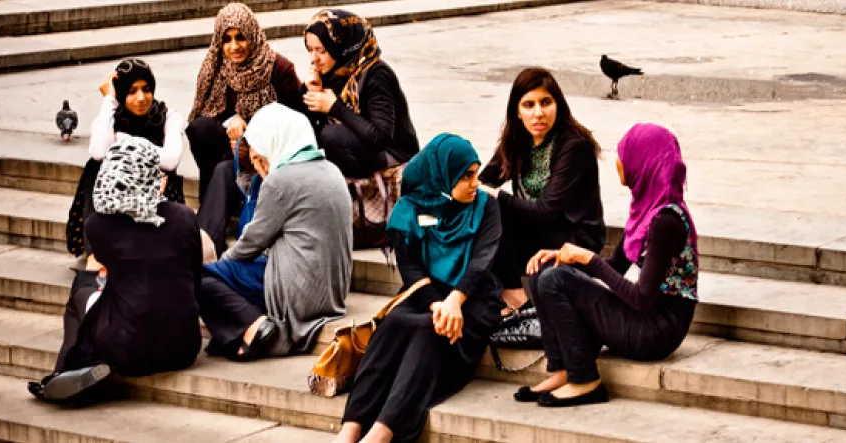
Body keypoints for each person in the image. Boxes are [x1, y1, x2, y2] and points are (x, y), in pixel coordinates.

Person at [515, 123, 698, 407]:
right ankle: (563, 369)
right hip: (644, 317)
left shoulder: (666, 222)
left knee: (554, 280)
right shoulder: (647, 209)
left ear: (643, 162)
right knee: (546, 272)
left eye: (625, 155)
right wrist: (562, 256)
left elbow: (640, 298)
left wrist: (587, 258)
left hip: (657, 331)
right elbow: (616, 266)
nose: (618, 162)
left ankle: (585, 380)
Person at [336, 134, 503, 443]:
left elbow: (482, 260)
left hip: (473, 297)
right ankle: (350, 429)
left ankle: (381, 433)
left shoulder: (486, 206)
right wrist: (437, 303)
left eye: (476, 174)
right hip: (426, 292)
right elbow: (410, 266)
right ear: (442, 176)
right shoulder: (410, 209)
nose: (475, 183)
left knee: (430, 329)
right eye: (466, 176)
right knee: (393, 324)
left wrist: (453, 301)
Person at [30, 136, 203, 402]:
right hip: (183, 348)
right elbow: (195, 278)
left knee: (82, 286)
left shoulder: (99, 225)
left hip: (125, 348)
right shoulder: (185, 217)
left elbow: (102, 266)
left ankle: (64, 371)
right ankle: (72, 372)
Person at [198, 103, 353, 360]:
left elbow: (250, 244)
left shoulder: (283, 180)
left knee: (200, 277)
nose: (258, 158)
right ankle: (247, 327)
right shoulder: (331, 170)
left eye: (260, 151)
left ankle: (255, 327)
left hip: (297, 293)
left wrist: (219, 268)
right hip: (330, 293)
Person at [478, 67, 605, 315]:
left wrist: (496, 196)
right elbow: (484, 180)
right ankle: (505, 295)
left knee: (496, 206)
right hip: (537, 231)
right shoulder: (518, 140)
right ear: (517, 111)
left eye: (545, 102)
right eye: (529, 105)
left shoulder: (574, 145)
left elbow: (547, 210)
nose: (538, 113)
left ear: (558, 105)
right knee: (484, 211)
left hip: (574, 236)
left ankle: (514, 296)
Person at [188, 2, 307, 233]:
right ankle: (209, 232)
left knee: (223, 171)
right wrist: (231, 120)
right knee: (200, 129)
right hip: (231, 153)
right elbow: (207, 112)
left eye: (240, 37)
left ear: (252, 34)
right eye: (227, 39)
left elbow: (297, 123)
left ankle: (211, 228)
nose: (234, 47)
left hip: (270, 155)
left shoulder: (280, 68)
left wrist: (253, 139)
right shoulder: (217, 68)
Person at [66, 58, 186, 263]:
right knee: (95, 168)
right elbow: (98, 152)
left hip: (155, 191)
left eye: (146, 89)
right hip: (118, 193)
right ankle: (96, 253)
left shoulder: (168, 116)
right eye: (131, 91)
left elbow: (170, 160)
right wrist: (108, 100)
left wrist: (121, 140)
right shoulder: (110, 117)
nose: (141, 98)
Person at [302, 9, 419, 179]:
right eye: (310, 50)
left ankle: (354, 188)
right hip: (362, 150)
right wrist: (312, 91)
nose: (314, 58)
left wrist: (335, 108)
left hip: (393, 156)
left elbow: (380, 138)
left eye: (321, 51)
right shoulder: (331, 71)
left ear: (342, 46)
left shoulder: (376, 74)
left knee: (332, 136)